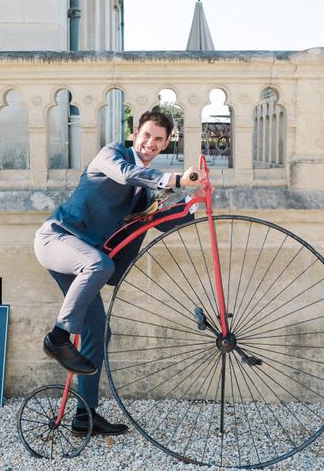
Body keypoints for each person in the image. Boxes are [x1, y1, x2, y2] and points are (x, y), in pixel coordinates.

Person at [33, 110, 204, 436]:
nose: (150, 144)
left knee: (97, 329)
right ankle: (57, 339)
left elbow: (153, 220)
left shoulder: (143, 193)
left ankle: (85, 417)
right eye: (146, 135)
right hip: (56, 239)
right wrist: (176, 179)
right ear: (135, 133)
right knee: (100, 264)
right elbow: (126, 174)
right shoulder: (111, 154)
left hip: (81, 259)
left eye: (158, 140)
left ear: (165, 144)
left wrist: (194, 204)